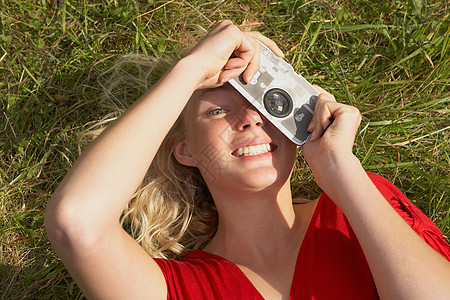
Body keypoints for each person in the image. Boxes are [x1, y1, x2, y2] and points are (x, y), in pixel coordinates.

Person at [45, 20, 450, 300]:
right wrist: (190, 70)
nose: (250, 118)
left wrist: (342, 171)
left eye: (267, 105)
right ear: (184, 150)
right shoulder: (180, 288)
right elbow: (76, 223)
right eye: (218, 111)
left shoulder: (361, 207)